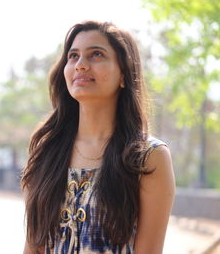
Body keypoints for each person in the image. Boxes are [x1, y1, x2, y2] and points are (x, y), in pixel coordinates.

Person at [21, 20, 175, 254]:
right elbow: (33, 247)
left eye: (96, 55)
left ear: (123, 73)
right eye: (73, 56)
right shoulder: (47, 151)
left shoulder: (148, 157)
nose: (81, 65)